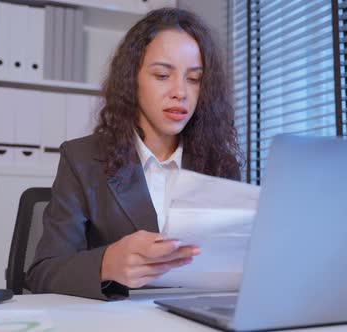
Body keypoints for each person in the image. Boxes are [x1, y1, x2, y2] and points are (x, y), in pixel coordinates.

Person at [26, 7, 242, 300]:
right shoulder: (82, 159)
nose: (180, 92)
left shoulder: (221, 165)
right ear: (132, 80)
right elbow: (43, 272)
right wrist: (106, 264)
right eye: (163, 75)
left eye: (194, 79)